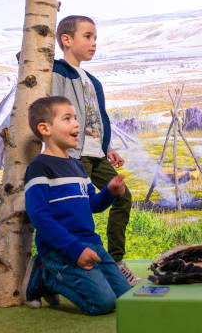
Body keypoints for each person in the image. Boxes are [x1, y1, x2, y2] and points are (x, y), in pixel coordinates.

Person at [51, 15, 140, 285]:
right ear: (66, 40)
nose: (93, 43)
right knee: (76, 210)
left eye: (95, 38)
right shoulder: (57, 72)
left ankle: (116, 260)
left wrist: (107, 147)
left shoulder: (92, 80)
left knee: (123, 198)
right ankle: (72, 264)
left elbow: (95, 118)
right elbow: (52, 110)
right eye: (87, 37)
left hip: (96, 154)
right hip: (73, 154)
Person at [22, 96, 131, 314]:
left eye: (75, 118)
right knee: (103, 304)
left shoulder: (77, 166)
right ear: (45, 128)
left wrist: (109, 192)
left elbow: (92, 204)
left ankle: (58, 275)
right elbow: (39, 216)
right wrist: (75, 249)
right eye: (67, 118)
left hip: (92, 244)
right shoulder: (39, 168)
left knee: (125, 298)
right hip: (61, 249)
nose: (76, 124)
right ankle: (45, 276)